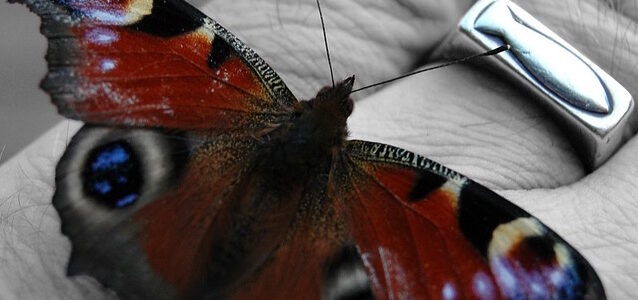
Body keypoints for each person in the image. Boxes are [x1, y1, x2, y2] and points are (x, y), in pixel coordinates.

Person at [0, 0, 636, 298]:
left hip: (175, 186)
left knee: (143, 152)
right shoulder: (399, 186)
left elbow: (127, 13)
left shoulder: (231, 80)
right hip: (300, 264)